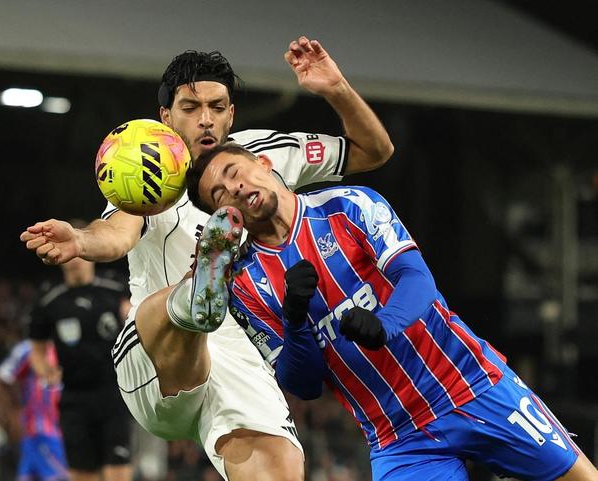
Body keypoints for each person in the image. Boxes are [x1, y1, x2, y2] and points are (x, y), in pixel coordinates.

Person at [20, 36, 394, 480]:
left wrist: (336, 89)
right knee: (179, 312)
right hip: (154, 355)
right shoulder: (151, 167)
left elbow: (374, 150)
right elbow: (118, 232)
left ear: (231, 114)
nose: (205, 119)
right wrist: (81, 241)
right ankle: (195, 295)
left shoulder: (260, 158)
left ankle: (202, 294)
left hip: (238, 354)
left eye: (217, 107)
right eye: (190, 107)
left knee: (282, 469)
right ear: (166, 116)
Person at [186, 143, 598, 481]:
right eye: (219, 195)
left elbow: (417, 279)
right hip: (399, 438)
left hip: (471, 385)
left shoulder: (349, 206)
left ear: (263, 163)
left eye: (234, 172)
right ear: (224, 215)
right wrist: (294, 319)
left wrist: (383, 325)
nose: (234, 188)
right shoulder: (244, 283)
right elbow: (304, 384)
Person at [28, 228, 133, 481]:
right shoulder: (49, 301)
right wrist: (45, 370)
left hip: (114, 394)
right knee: (81, 474)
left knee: (117, 471)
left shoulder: (115, 289)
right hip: (74, 399)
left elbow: (136, 324)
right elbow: (37, 350)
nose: (75, 259)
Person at [0, 339, 69, 481]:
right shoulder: (27, 350)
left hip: (59, 431)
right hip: (41, 430)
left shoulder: (67, 347)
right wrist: (12, 413)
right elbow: (3, 377)